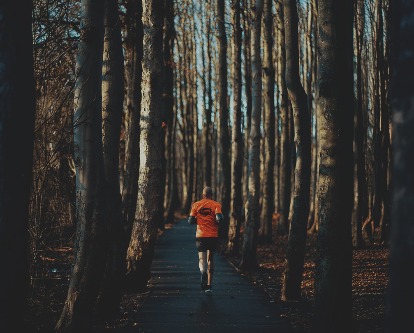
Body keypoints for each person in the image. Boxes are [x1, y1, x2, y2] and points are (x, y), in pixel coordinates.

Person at [188, 186, 223, 294]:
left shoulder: (196, 205)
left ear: (203, 195)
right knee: (210, 259)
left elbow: (190, 221)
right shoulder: (216, 205)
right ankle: (208, 285)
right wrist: (216, 221)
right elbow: (220, 218)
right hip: (213, 236)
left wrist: (198, 220)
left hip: (201, 235)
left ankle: (203, 272)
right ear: (212, 195)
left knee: (201, 259)